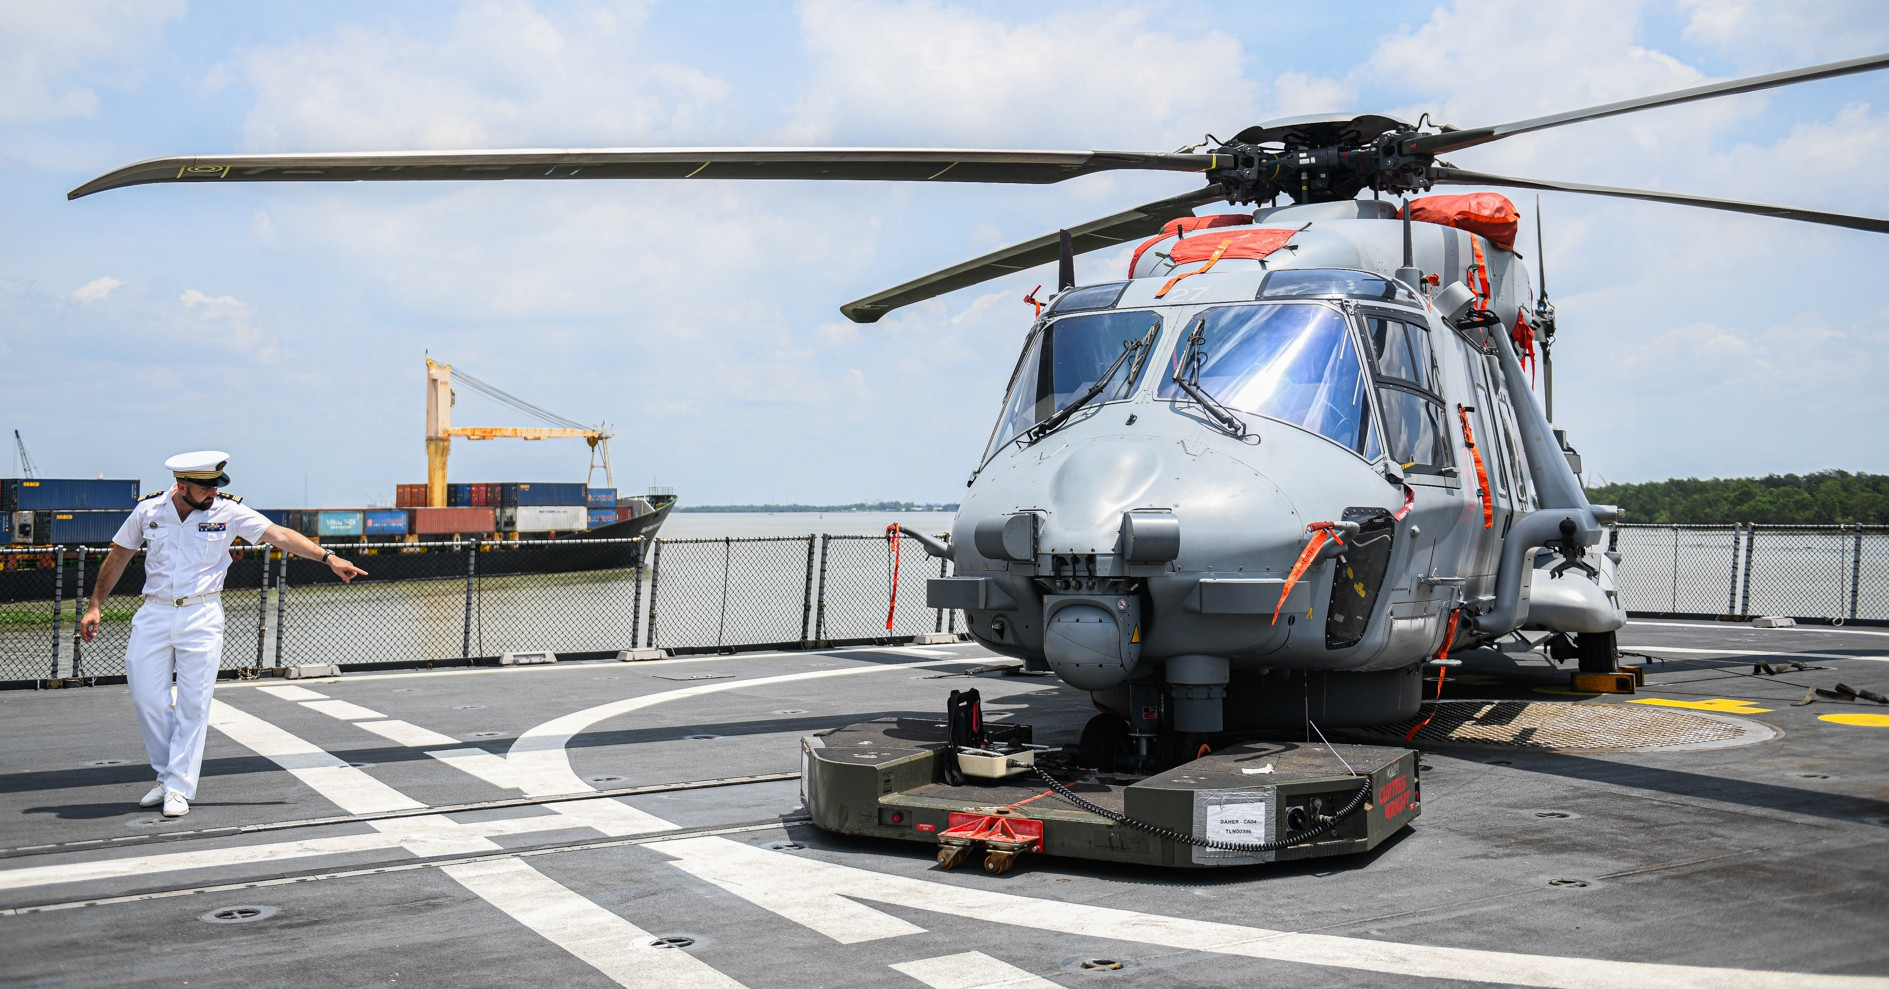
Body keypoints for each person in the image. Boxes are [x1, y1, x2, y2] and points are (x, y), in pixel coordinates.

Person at [81, 451, 367, 817]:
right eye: (206, 487)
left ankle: (177, 788)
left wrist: (328, 558)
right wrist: (95, 605)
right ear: (181, 486)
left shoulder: (228, 512)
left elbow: (279, 535)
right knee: (146, 698)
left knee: (193, 704)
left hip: (201, 614)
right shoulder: (148, 511)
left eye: (217, 486)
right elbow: (118, 556)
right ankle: (168, 775)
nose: (213, 493)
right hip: (153, 612)